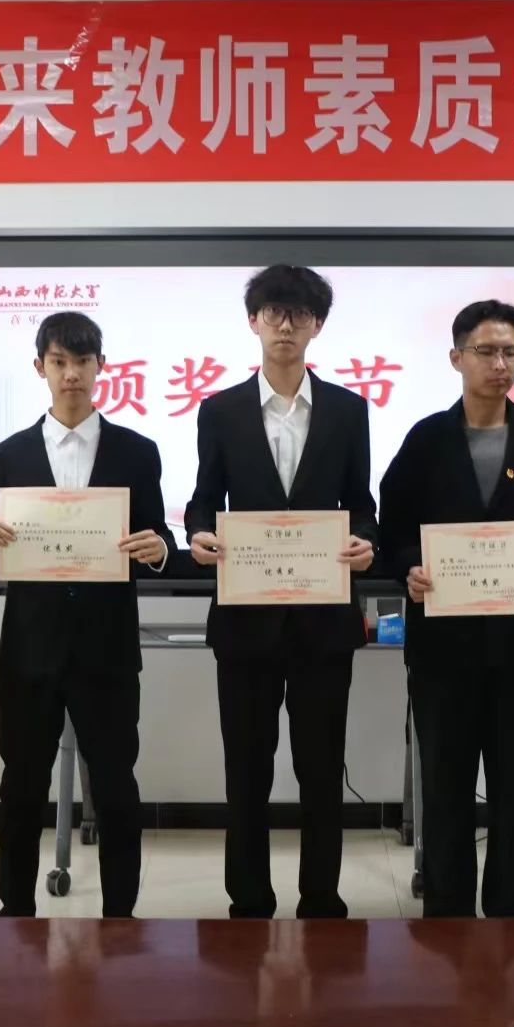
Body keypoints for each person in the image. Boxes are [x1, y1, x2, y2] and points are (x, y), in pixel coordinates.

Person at [378, 299, 514, 917]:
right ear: (456, 358)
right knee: (445, 793)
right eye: (486, 351)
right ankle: (447, 920)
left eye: (510, 352)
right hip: (445, 655)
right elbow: (393, 532)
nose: (500, 364)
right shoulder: (426, 440)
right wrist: (409, 568)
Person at [184, 264, 378, 919]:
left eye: (299, 315)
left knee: (321, 769)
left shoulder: (348, 410)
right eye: (274, 312)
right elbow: (204, 500)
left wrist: (366, 541)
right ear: (254, 321)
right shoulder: (220, 410)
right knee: (247, 771)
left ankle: (321, 898)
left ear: (317, 325)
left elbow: (361, 505)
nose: (286, 326)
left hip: (324, 620)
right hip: (246, 619)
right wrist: (198, 534)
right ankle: (249, 900)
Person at [0, 311, 175, 918]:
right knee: (20, 787)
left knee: (115, 787)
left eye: (82, 362)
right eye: (59, 362)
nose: (71, 374)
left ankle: (120, 916)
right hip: (29, 649)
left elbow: (158, 534)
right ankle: (14, 912)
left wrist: (160, 548)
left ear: (101, 367)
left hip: (106, 648)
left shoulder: (137, 452)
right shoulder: (9, 455)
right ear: (40, 367)